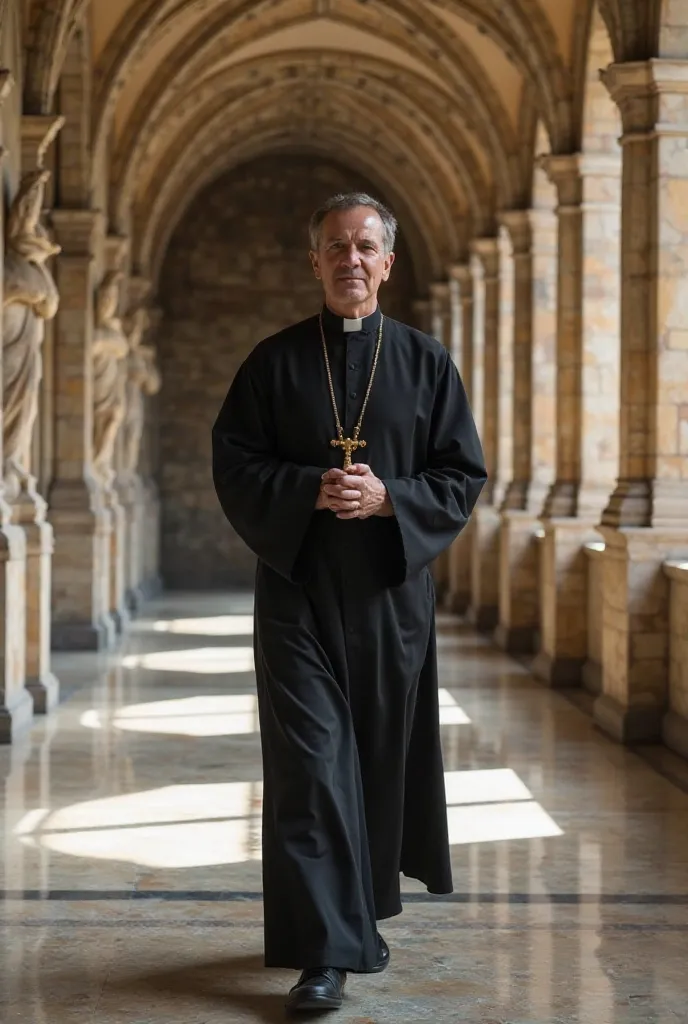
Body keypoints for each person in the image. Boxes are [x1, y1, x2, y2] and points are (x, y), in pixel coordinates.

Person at [212, 192, 487, 1013]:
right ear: (315, 261)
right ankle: (324, 958)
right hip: (296, 592)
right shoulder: (273, 362)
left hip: (387, 600)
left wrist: (389, 498)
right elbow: (234, 463)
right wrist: (309, 490)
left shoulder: (426, 362)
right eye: (336, 246)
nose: (351, 260)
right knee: (311, 766)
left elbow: (462, 475)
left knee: (370, 762)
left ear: (388, 263)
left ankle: (352, 919)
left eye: (366, 246)